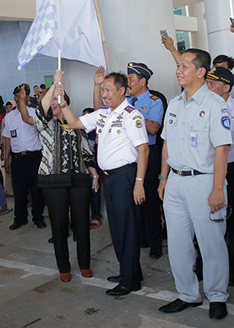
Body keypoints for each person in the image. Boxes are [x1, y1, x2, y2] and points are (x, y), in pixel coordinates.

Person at [59, 67, 149, 296]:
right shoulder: (104, 114)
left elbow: (144, 150)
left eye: (109, 90)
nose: (105, 94)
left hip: (125, 177)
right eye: (103, 90)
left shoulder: (131, 115)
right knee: (117, 229)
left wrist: (139, 182)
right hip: (109, 178)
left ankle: (130, 281)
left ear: (122, 91)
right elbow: (76, 123)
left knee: (126, 229)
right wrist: (61, 103)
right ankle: (130, 272)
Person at [157, 48, 231, 320]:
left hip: (204, 182)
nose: (179, 70)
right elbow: (167, 143)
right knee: (177, 243)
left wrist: (217, 189)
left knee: (211, 243)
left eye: (185, 65)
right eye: (178, 65)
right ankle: (187, 294)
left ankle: (217, 295)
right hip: (175, 182)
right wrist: (163, 178)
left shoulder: (214, 104)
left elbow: (222, 149)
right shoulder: (175, 103)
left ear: (201, 72)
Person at [36, 70, 99, 282]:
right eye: (51, 100)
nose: (53, 102)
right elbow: (40, 110)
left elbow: (86, 150)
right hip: (53, 180)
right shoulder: (45, 123)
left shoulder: (76, 122)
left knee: (82, 222)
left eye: (57, 99)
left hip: (79, 179)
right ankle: (63, 266)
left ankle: (84, 264)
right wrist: (54, 85)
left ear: (65, 101)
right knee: (59, 224)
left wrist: (93, 173)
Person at [206, 67, 234, 286]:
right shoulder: (202, 107)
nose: (208, 87)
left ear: (226, 87)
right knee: (208, 217)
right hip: (209, 168)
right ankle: (207, 261)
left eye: (212, 84)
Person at [122, 62, 165, 259]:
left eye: (131, 79)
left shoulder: (154, 101)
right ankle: (142, 237)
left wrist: (133, 114)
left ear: (143, 81)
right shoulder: (125, 101)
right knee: (134, 199)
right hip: (129, 154)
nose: (128, 83)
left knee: (149, 198)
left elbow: (154, 128)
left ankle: (156, 241)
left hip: (148, 153)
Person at [2, 83, 46, 230]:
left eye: (21, 95)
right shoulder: (9, 117)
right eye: (16, 96)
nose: (18, 98)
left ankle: (38, 217)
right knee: (19, 190)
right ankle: (20, 218)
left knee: (36, 190)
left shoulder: (34, 113)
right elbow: (8, 138)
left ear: (27, 97)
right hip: (17, 159)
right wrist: (6, 157)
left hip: (34, 157)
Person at [83, 107, 103, 229]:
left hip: (95, 164)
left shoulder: (98, 131)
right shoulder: (80, 130)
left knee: (95, 191)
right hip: (82, 166)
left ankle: (96, 216)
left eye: (88, 115)